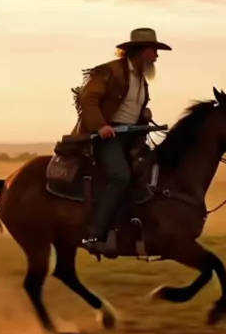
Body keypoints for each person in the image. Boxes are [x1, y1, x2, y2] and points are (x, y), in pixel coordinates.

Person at [71, 27, 172, 253]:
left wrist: (144, 116)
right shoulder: (109, 71)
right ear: (141, 51)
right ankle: (95, 233)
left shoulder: (141, 78)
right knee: (121, 176)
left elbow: (130, 108)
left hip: (130, 136)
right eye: (154, 50)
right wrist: (101, 126)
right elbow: (88, 99)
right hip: (105, 136)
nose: (157, 55)